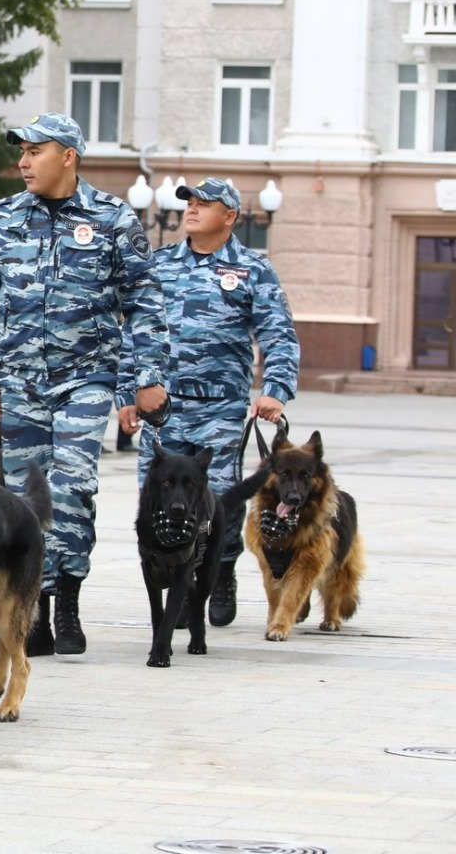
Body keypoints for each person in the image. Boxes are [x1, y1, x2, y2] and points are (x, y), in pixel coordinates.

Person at [0, 113, 169, 658]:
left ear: (68, 156)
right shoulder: (4, 218)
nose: (23, 162)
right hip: (19, 379)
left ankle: (67, 595)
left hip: (87, 377)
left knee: (72, 488)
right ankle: (34, 608)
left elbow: (143, 301)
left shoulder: (112, 219)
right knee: (25, 496)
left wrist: (146, 379)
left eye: (35, 151)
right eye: (21, 152)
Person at [116, 176, 299, 627]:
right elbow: (131, 334)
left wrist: (275, 389)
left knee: (218, 500)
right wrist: (127, 394)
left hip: (220, 407)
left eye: (204, 204)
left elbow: (279, 334)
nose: (191, 210)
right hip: (162, 409)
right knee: (158, 498)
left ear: (230, 216)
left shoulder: (254, 271)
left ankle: (219, 572)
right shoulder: (158, 265)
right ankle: (176, 578)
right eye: (189, 203)